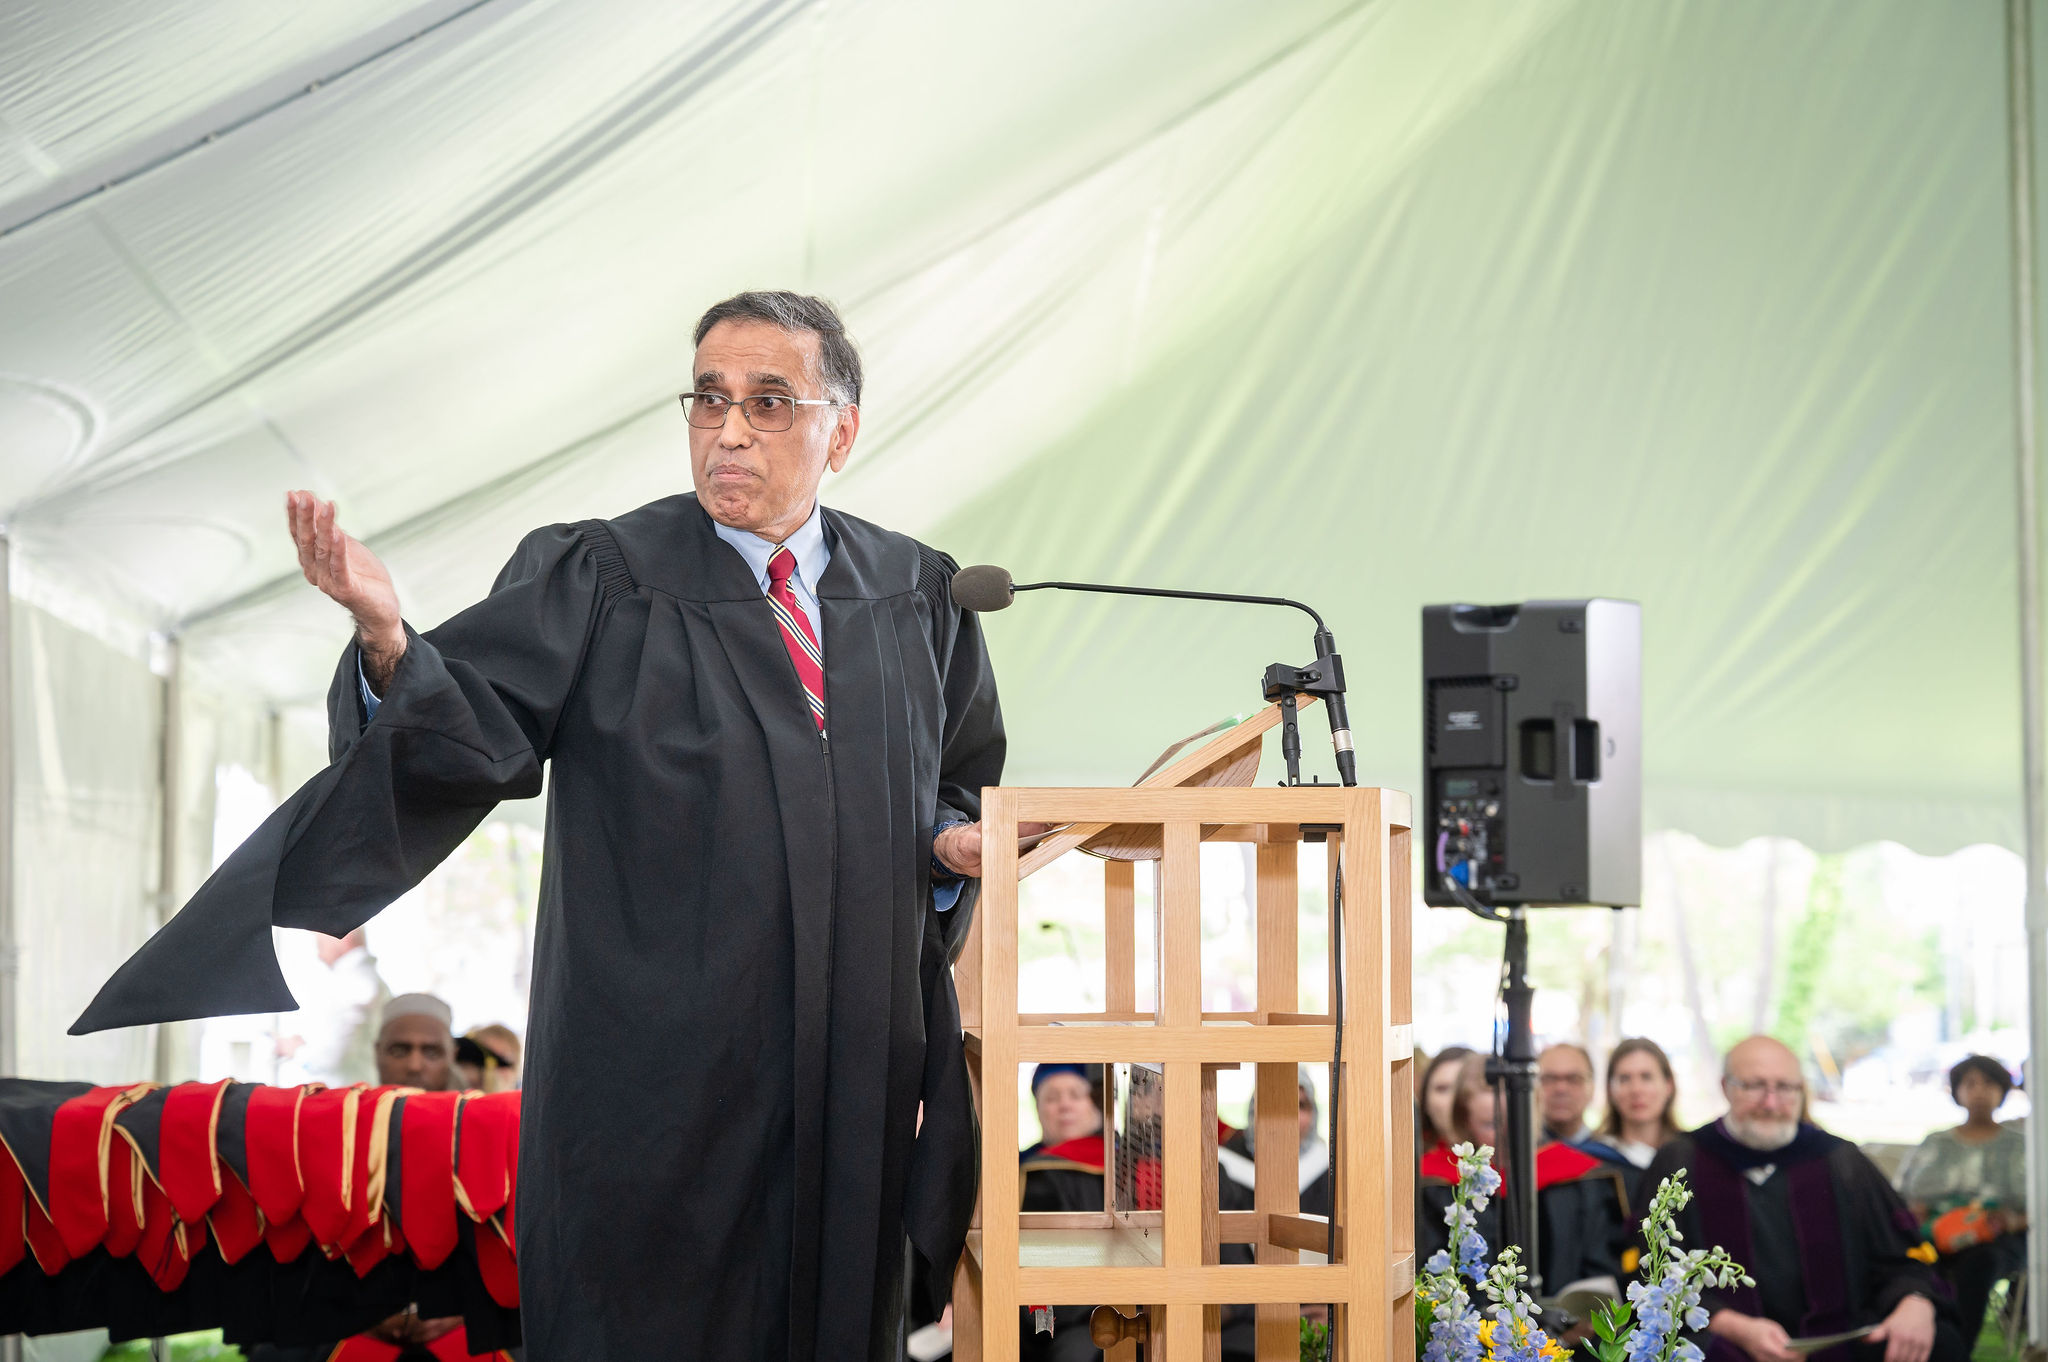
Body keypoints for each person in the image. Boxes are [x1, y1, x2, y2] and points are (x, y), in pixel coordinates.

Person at [74, 291, 1010, 1362]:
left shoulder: (919, 598)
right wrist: (389, 642)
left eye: (767, 401)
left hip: (852, 1076)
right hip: (662, 1082)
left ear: (839, 429)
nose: (730, 428)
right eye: (708, 399)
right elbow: (474, 729)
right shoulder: (605, 578)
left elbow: (957, 784)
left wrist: (946, 849)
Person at [1640, 1036, 1967, 1362]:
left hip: (1839, 1339)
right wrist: (1734, 1326)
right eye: (1754, 1086)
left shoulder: (1841, 1160)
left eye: (1785, 1088)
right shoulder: (1682, 1161)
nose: (1771, 1103)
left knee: (1937, 1343)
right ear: (1726, 1087)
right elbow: (1652, 1269)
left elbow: (1902, 1255)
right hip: (1728, 1340)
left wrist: (1915, 1299)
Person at [1418, 1053, 1628, 1292]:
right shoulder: (1434, 1181)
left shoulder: (1581, 1176)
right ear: (1464, 1117)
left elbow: (1600, 1266)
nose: (1502, 1135)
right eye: (1489, 1124)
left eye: (1512, 1123)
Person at [1898, 1055, 2026, 1345]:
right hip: (1936, 1232)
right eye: (1970, 1083)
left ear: (2003, 1090)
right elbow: (1905, 1194)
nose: (1979, 1091)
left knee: (1979, 1262)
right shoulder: (1936, 1142)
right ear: (1957, 1091)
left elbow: (2036, 1206)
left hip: (1997, 1240)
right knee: (1907, 1257)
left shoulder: (2020, 1145)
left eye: (1989, 1083)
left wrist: (2010, 1220)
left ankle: (1956, 1346)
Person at [274, 926, 389, 1087]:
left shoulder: (355, 983)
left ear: (343, 936)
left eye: (320, 945)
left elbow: (335, 1056)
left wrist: (295, 1051)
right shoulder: (369, 981)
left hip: (345, 1096)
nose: (320, 955)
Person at [375, 993, 457, 1091]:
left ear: (452, 1056)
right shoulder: (353, 1105)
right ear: (377, 1053)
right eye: (398, 1052)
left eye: (431, 1053)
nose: (414, 1066)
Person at [1020, 1063, 1102, 1159]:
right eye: (1052, 1098)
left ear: (1095, 1104)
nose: (1065, 1105)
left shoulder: (1116, 1159)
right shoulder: (1019, 1165)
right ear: (1038, 1108)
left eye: (1076, 1095)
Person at [1539, 1042, 1600, 1145]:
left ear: (1592, 1088)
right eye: (1549, 1078)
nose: (1561, 1089)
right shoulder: (1519, 1151)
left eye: (1574, 1079)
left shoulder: (1610, 1155)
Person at [1418, 1045, 1476, 1152]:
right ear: (1425, 1100)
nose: (1453, 1099)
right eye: (1443, 1089)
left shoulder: (1506, 1158)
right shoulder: (1408, 1162)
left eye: (1462, 1088)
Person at [455, 1024, 522, 1093]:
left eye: (503, 1062)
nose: (491, 1072)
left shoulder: (522, 1100)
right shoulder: (456, 1098)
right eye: (481, 1060)